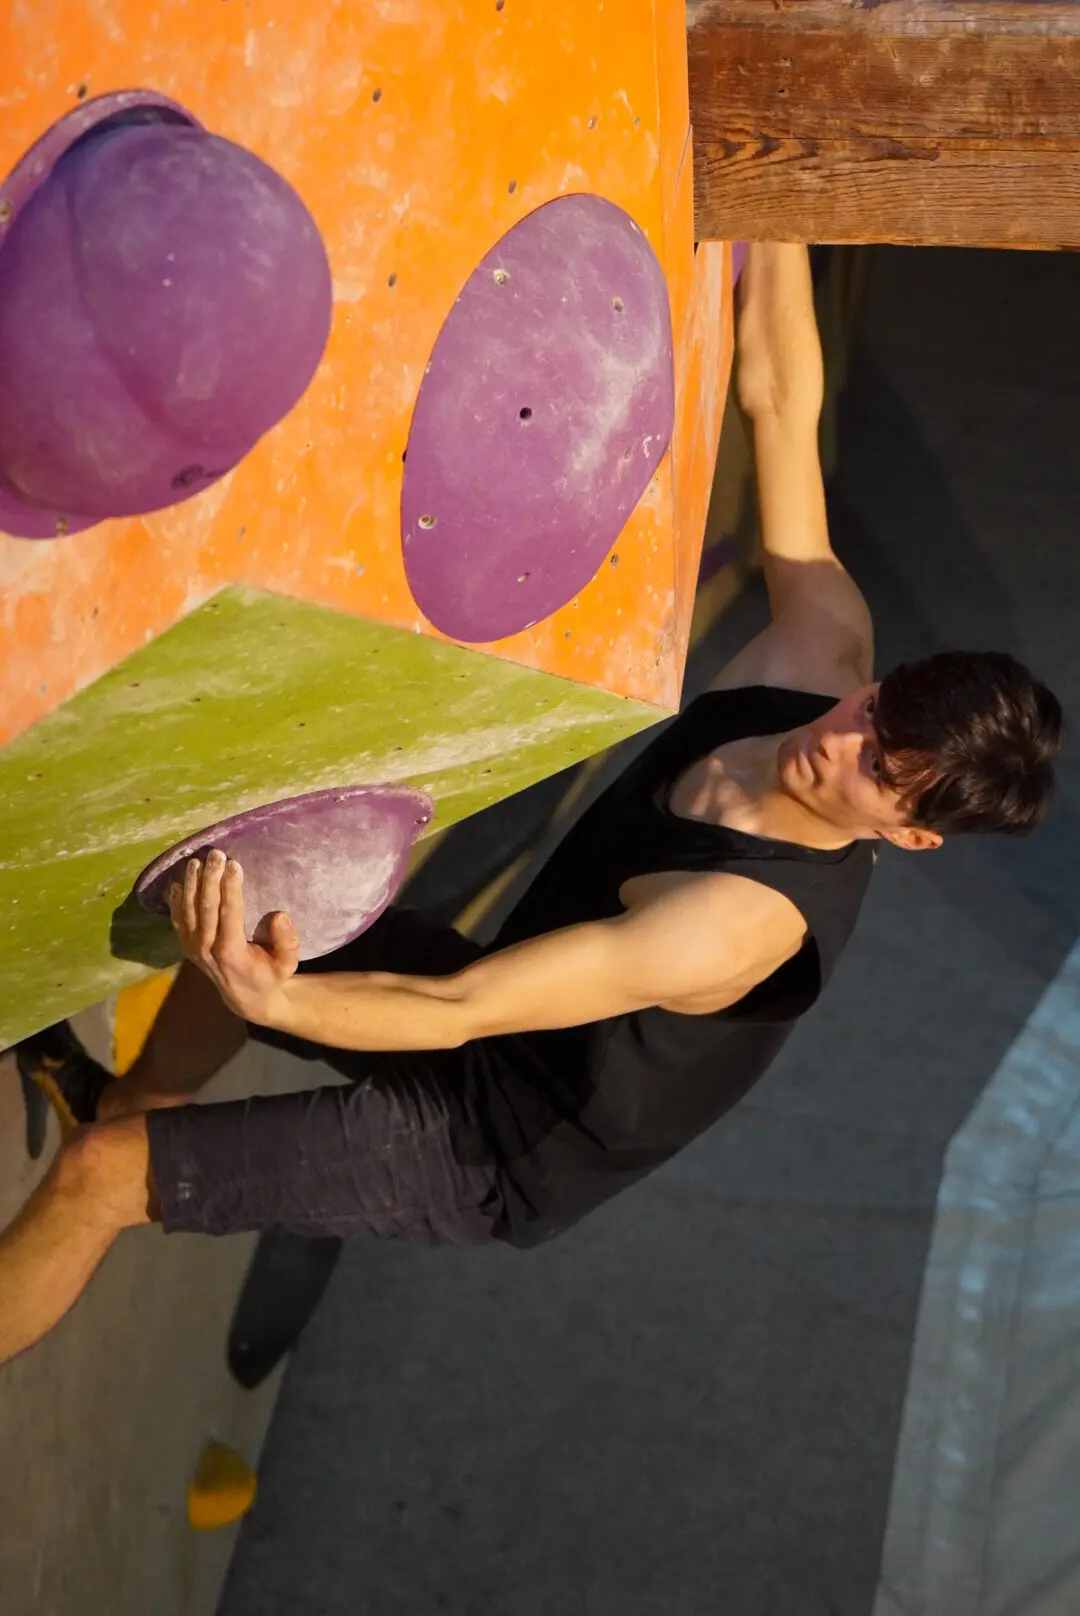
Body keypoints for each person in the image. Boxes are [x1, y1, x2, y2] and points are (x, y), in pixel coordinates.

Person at [1, 244, 1063, 1365]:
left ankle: (115, 1143)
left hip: (491, 1144)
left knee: (101, 1181)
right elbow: (783, 401)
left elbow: (458, 1007)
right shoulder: (822, 649)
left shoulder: (734, 925)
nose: (837, 739)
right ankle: (132, 1102)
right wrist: (781, 213)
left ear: (909, 832)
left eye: (879, 770)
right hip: (494, 1018)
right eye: (875, 709)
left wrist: (281, 998)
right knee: (274, 897)